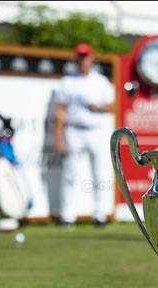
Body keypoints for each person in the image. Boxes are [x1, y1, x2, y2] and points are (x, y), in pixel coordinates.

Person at [53, 43, 114, 230]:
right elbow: (61, 110)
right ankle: (67, 216)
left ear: (92, 58)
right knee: (70, 174)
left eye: (86, 56)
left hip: (96, 131)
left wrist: (98, 108)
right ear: (76, 58)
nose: (83, 60)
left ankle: (99, 214)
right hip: (74, 131)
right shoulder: (68, 81)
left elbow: (111, 106)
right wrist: (58, 136)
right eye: (80, 56)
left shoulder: (101, 81)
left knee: (100, 174)